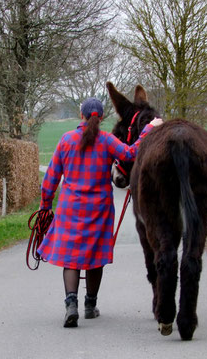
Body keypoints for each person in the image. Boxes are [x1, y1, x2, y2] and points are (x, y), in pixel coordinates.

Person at [37, 97, 162, 328]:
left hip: (70, 208)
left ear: (81, 115)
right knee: (95, 258)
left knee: (71, 258)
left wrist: (45, 206)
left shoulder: (66, 140)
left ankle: (71, 304)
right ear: (101, 117)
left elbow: (50, 179)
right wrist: (147, 131)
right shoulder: (106, 140)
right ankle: (90, 305)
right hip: (99, 209)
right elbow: (130, 154)